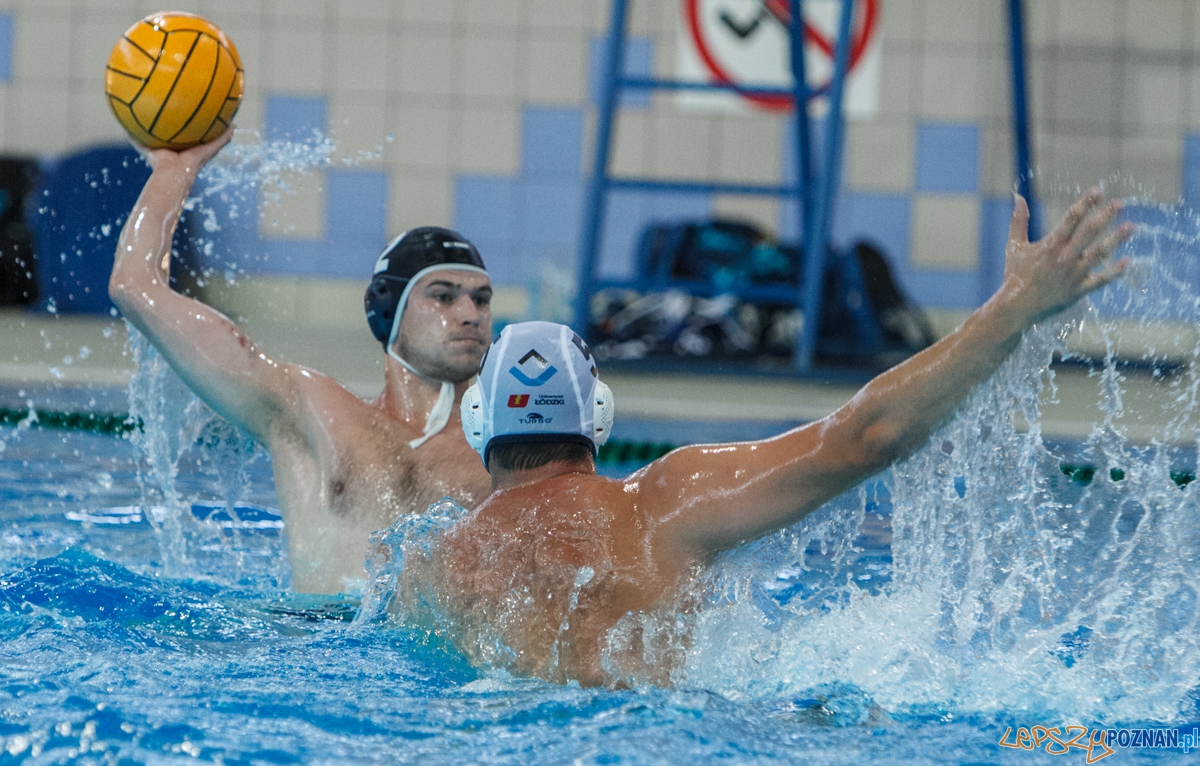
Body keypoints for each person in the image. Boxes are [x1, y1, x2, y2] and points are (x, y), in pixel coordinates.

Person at [394, 190, 1133, 687]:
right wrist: (1013, 309)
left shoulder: (430, 568)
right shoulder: (664, 502)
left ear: (480, 422)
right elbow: (864, 437)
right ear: (599, 420)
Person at [109, 129, 494, 595]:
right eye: (444, 296)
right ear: (388, 309)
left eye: (481, 299)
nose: (470, 314)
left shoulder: (508, 448)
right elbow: (135, 286)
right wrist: (176, 170)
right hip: (309, 640)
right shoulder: (313, 411)